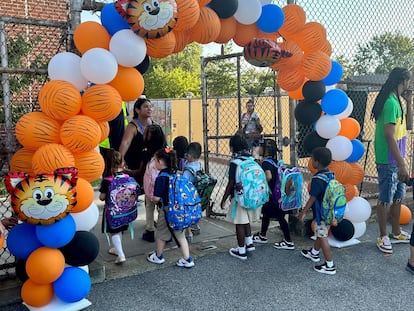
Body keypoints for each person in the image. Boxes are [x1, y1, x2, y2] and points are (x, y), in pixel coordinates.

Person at [371, 67, 412, 254]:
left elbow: (409, 126)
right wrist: (401, 163)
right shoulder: (390, 103)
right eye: (408, 81)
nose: (409, 85)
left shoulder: (398, 102)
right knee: (385, 198)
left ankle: (395, 232)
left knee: (398, 196)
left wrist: (409, 102)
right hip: (389, 159)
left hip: (397, 158)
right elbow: (389, 136)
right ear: (403, 81)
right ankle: (382, 236)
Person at [147, 147, 195, 268]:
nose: (154, 163)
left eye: (155, 160)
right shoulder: (176, 174)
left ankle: (158, 256)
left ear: (161, 162)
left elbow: (157, 198)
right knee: (180, 235)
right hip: (179, 209)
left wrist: (152, 198)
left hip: (167, 210)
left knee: (161, 233)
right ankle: (187, 259)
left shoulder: (161, 177)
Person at [296, 147, 336, 275]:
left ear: (317, 162)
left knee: (322, 235)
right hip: (330, 211)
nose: (311, 161)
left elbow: (312, 198)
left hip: (321, 214)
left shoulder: (317, 179)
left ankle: (330, 265)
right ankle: (314, 253)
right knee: (321, 232)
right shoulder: (330, 174)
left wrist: (303, 213)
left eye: (312, 159)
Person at [220, 134, 260, 260]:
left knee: (239, 223)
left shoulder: (235, 162)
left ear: (233, 147)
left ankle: (241, 250)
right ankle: (249, 243)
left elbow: (231, 183)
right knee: (246, 220)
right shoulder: (251, 160)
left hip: (239, 198)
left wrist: (224, 199)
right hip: (252, 196)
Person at [252, 139, 294, 250]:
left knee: (280, 217)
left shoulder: (266, 162)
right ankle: (262, 235)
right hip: (277, 194)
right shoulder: (275, 161)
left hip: (271, 195)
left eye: (261, 147)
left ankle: (288, 241)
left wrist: (261, 183)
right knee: (266, 214)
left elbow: (269, 176)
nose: (258, 149)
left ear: (266, 150)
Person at [99, 149, 130, 265]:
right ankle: (117, 249)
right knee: (120, 229)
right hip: (125, 210)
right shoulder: (127, 177)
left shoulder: (107, 180)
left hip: (112, 212)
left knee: (114, 232)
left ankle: (121, 255)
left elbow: (102, 197)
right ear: (122, 163)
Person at [119, 96, 154, 185]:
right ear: (137, 110)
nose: (149, 109)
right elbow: (125, 143)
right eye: (146, 107)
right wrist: (120, 160)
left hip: (148, 163)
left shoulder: (154, 125)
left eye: (150, 106)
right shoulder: (132, 126)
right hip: (133, 163)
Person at [141, 124, 167, 242]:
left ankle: (150, 230)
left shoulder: (146, 153)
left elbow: (142, 170)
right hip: (163, 187)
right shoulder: (166, 151)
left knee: (149, 207)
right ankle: (166, 233)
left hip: (149, 188)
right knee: (163, 209)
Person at [183, 142, 203, 239]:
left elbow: (184, 182)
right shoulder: (199, 165)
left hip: (189, 194)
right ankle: (196, 226)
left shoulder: (188, 169)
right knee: (195, 210)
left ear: (190, 156)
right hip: (197, 194)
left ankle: (188, 232)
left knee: (186, 212)